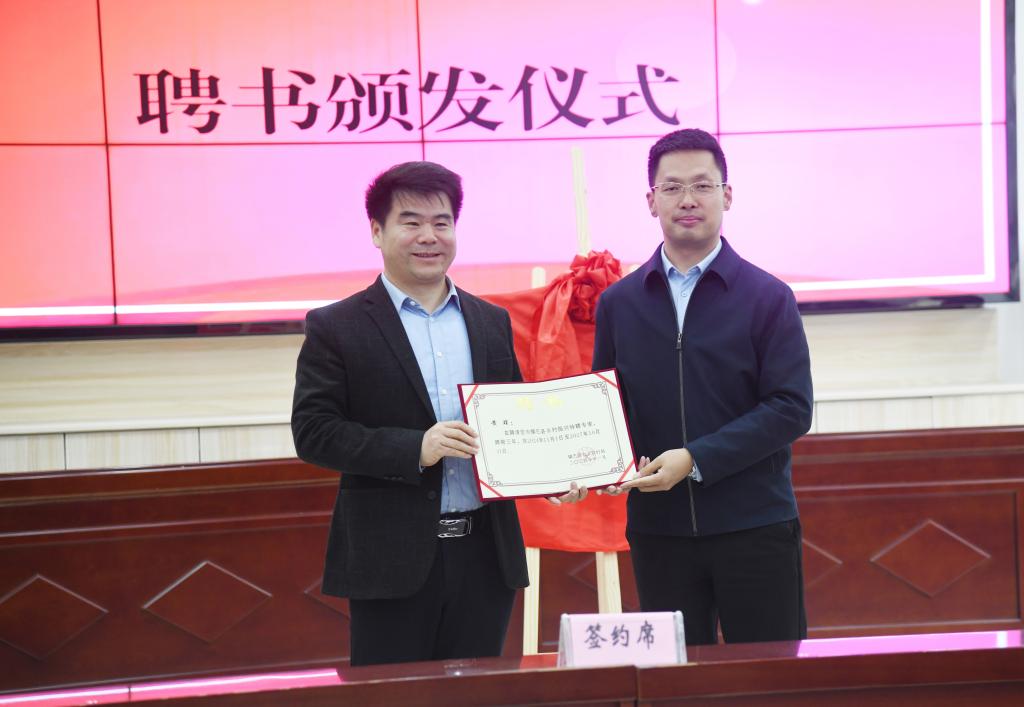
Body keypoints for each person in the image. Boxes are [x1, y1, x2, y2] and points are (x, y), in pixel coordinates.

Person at [292, 161, 584, 666]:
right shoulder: (337, 326)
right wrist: (415, 448)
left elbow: (511, 421)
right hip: (390, 559)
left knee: (478, 694)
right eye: (411, 222)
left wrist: (549, 474)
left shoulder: (490, 321)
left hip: (485, 558)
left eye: (441, 222)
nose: (429, 236)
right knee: (396, 697)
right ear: (377, 232)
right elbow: (314, 432)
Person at [594, 129, 813, 645]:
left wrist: (695, 458)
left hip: (755, 526)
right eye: (672, 188)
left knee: (767, 677)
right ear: (652, 201)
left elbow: (790, 408)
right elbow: (606, 408)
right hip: (659, 532)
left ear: (727, 195)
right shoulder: (619, 303)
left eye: (702, 185)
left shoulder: (768, 297)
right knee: (674, 677)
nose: (687, 200)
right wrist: (587, 465)